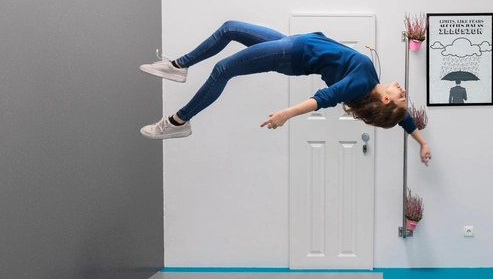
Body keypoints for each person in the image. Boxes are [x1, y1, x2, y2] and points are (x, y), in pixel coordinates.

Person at [139, 20, 432, 166]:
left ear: (385, 100)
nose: (403, 90)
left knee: (222, 69)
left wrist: (286, 114)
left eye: (401, 96)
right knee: (229, 29)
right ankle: (179, 66)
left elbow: (323, 98)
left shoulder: (361, 83)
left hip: (290, 54)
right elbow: (403, 119)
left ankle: (178, 121)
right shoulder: (371, 80)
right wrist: (422, 142)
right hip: (292, 43)